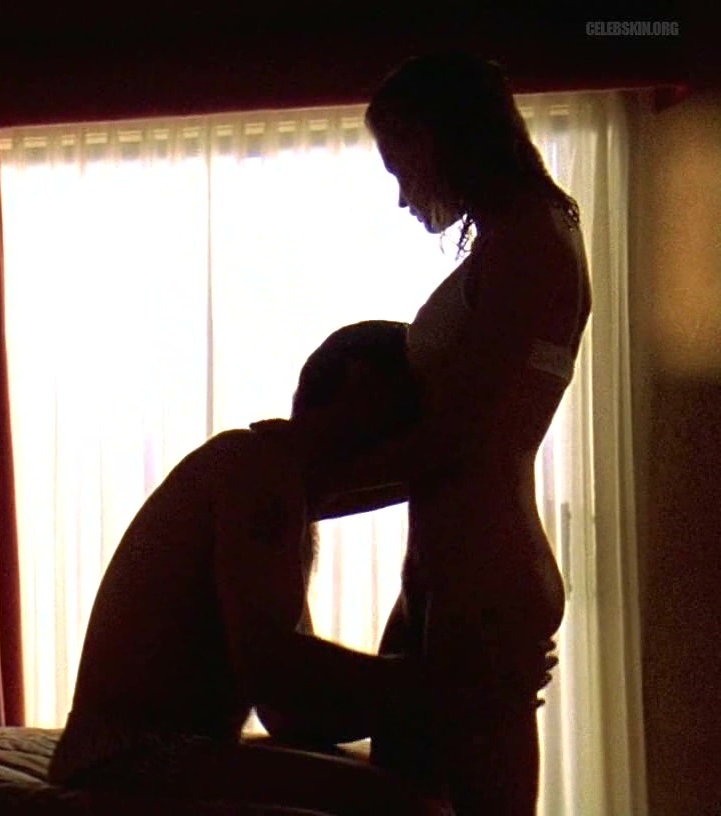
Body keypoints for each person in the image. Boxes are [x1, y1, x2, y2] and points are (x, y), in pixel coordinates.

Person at [325, 50, 590, 816]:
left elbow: (461, 441)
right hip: (453, 574)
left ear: (438, 137)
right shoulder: (516, 237)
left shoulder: (533, 243)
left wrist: (298, 485)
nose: (402, 193)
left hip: (486, 578)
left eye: (398, 164)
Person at [47, 321, 452, 815]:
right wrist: (434, 686)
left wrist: (402, 699)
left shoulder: (274, 481)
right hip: (129, 757)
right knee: (416, 810)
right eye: (411, 402)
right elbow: (269, 667)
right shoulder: (257, 472)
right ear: (362, 384)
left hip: (143, 750)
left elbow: (285, 711)